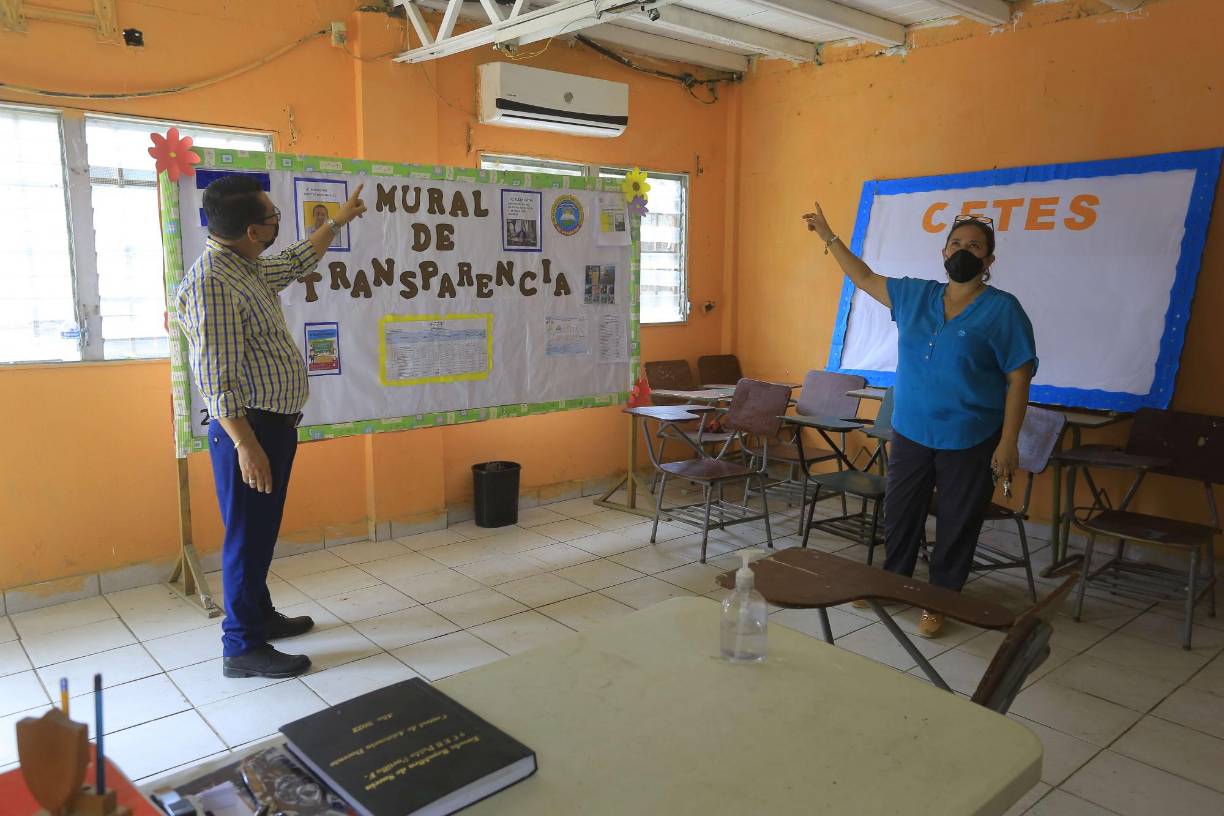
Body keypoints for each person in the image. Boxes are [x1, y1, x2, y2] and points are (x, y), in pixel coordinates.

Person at [802, 203, 1037, 637]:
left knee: (956, 520)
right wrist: (829, 238)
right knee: (901, 512)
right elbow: (865, 278)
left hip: (970, 436)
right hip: (911, 430)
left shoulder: (1003, 310)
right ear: (943, 251)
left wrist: (1008, 441)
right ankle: (893, 586)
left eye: (974, 246)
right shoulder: (916, 295)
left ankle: (940, 600)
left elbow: (1019, 377)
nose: (963, 251)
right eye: (956, 243)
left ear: (988, 260)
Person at [178, 174, 366, 678]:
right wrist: (246, 444)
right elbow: (215, 380)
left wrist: (338, 223)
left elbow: (294, 262)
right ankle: (241, 648)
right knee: (246, 537)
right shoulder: (212, 283)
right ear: (251, 230)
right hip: (250, 430)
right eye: (272, 217)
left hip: (272, 425)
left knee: (260, 533)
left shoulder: (245, 265)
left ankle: (259, 617)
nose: (278, 222)